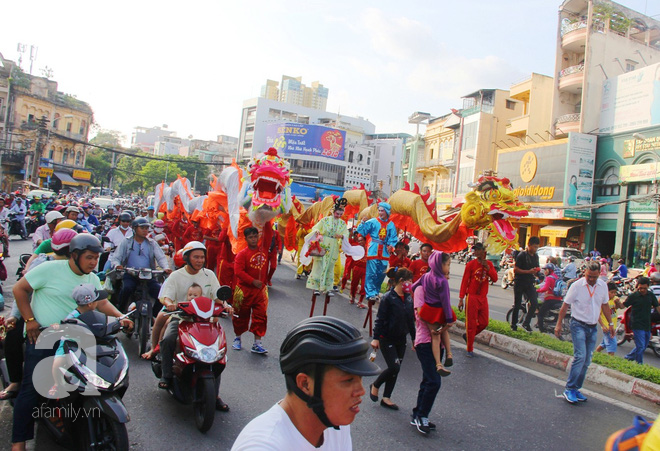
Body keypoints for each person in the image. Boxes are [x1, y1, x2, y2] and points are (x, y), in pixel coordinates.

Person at [11, 235, 129, 449]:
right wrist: (29, 321)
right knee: (31, 388)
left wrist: (122, 317)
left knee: (100, 376)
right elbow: (19, 289)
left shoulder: (92, 278)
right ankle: (18, 443)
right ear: (74, 256)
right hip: (45, 336)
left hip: (81, 337)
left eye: (96, 258)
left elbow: (101, 303)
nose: (94, 262)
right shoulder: (49, 269)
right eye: (89, 257)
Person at [231, 316, 379, 450]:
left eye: (360, 378)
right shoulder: (263, 446)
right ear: (305, 384)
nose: (361, 391)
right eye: (348, 380)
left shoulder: (335, 425)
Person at [158, 240, 233, 412]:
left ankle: (215, 395)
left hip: (206, 321)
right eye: (196, 257)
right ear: (187, 258)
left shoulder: (209, 275)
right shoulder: (176, 276)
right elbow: (166, 296)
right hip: (182, 318)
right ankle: (166, 374)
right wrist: (169, 303)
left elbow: (218, 296)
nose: (200, 260)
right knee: (168, 339)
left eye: (202, 257)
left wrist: (225, 305)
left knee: (217, 352)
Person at [50, 284, 131, 397]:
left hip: (92, 343)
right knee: (58, 362)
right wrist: (58, 327)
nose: (97, 302)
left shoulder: (97, 315)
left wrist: (117, 323)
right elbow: (65, 325)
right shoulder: (73, 316)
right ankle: (57, 384)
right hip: (72, 343)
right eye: (96, 300)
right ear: (90, 303)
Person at [554, 261, 614, 404]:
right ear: (584, 272)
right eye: (589, 276)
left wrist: (610, 323)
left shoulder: (602, 286)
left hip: (592, 327)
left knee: (587, 360)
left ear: (599, 274)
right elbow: (565, 306)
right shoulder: (577, 286)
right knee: (580, 356)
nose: (591, 279)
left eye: (594, 277)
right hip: (578, 325)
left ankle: (576, 388)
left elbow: (605, 305)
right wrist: (558, 324)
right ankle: (569, 388)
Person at [369, 267, 415, 410]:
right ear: (401, 281)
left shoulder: (408, 298)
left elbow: (410, 321)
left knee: (396, 369)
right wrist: (376, 338)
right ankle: (375, 385)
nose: (411, 283)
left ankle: (387, 397)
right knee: (394, 366)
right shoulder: (388, 298)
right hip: (386, 338)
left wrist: (415, 340)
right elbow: (380, 319)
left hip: (401, 339)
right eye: (409, 281)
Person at [110, 217, 171, 312]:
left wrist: (166, 268)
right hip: (131, 274)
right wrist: (117, 265)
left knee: (161, 294)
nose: (145, 230)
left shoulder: (152, 243)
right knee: (126, 289)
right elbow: (116, 257)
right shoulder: (126, 242)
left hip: (148, 275)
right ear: (134, 228)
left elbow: (161, 258)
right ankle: (121, 315)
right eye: (142, 228)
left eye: (146, 228)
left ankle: (154, 317)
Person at [412, 251, 455, 374]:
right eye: (447, 265)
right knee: (444, 332)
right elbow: (446, 301)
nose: (448, 268)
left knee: (435, 336)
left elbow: (413, 286)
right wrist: (449, 318)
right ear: (439, 265)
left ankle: (438, 364)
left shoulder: (425, 276)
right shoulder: (442, 280)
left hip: (428, 311)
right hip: (439, 310)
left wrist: (417, 292)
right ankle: (449, 354)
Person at [304, 198, 350, 309]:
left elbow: (346, 234)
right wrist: (317, 232)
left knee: (330, 266)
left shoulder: (342, 223)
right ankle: (316, 287)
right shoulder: (325, 220)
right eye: (337, 213)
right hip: (324, 243)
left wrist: (342, 236)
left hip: (334, 245)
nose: (338, 215)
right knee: (319, 265)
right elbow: (315, 228)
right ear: (333, 212)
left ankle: (328, 288)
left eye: (341, 214)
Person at [141, 282, 203, 361]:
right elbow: (165, 299)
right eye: (190, 295)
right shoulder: (184, 304)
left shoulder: (202, 305)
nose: (192, 297)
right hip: (182, 322)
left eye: (195, 295)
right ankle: (160, 345)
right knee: (168, 328)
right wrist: (172, 306)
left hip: (196, 325)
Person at [232, 227, 270, 354]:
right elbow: (238, 272)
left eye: (255, 236)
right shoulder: (241, 254)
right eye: (251, 237)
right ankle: (237, 338)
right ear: (246, 239)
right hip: (244, 291)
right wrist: (252, 281)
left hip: (260, 292)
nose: (254, 239)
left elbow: (269, 233)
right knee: (240, 315)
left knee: (261, 316)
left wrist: (266, 219)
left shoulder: (264, 249)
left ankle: (257, 343)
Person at [458, 242, 497, 356]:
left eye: (477, 250)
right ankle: (470, 348)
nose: (475, 252)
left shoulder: (489, 264)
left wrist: (488, 268)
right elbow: (465, 281)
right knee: (471, 324)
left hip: (483, 298)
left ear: (483, 251)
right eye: (474, 250)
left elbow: (494, 279)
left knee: (484, 322)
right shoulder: (470, 264)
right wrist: (461, 298)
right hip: (472, 297)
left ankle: (468, 336)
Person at [357, 202, 398, 302]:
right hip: (373, 249)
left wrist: (391, 246)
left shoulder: (391, 225)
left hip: (384, 251)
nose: (380, 212)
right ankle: (370, 293)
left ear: (387, 212)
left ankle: (375, 292)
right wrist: (362, 223)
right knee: (371, 273)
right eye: (379, 210)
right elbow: (362, 231)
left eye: (382, 211)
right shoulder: (373, 221)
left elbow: (393, 238)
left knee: (382, 273)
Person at [623, 276, 660, 364]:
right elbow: (623, 305)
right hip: (637, 324)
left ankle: (629, 357)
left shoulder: (650, 295)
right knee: (640, 346)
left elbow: (657, 307)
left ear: (648, 287)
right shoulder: (633, 296)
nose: (642, 290)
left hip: (647, 324)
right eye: (640, 288)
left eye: (644, 288)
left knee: (644, 345)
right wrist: (616, 302)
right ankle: (639, 364)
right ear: (637, 286)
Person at [512, 236, 541, 332]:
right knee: (517, 304)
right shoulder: (522, 255)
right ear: (529, 245)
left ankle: (526, 323)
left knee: (534, 303)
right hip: (520, 282)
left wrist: (538, 273)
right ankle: (513, 325)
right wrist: (528, 271)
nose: (535, 249)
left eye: (537, 247)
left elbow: (537, 268)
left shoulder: (536, 256)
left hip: (530, 282)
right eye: (534, 247)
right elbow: (516, 269)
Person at [595, 283, 624, 356]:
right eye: (611, 292)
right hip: (607, 327)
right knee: (612, 345)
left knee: (604, 343)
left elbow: (620, 307)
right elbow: (598, 315)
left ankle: (595, 354)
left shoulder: (614, 299)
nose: (613, 294)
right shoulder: (603, 301)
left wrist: (617, 302)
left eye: (615, 292)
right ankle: (610, 361)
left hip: (613, 325)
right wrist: (602, 325)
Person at [536, 263, 564, 332]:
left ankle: (541, 330)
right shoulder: (556, 277)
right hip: (558, 299)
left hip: (550, 299)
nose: (544, 271)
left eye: (545, 270)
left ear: (549, 270)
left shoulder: (549, 278)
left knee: (540, 314)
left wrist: (538, 290)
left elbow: (545, 288)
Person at [350, 235, 367, 308]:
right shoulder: (356, 249)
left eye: (361, 240)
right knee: (354, 284)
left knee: (363, 287)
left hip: (365, 270)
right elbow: (351, 261)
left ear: (365, 241)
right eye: (359, 241)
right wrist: (348, 271)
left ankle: (360, 301)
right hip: (356, 269)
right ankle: (353, 297)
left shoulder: (369, 250)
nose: (360, 242)